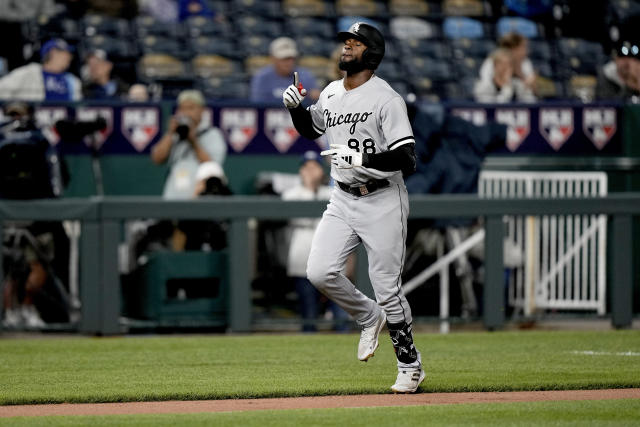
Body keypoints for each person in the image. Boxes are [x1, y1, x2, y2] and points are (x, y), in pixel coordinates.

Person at [283, 22, 424, 393]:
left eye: (355, 42)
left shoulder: (386, 98)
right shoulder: (331, 92)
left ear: (371, 52)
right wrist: (297, 109)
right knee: (319, 271)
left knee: (387, 289)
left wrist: (364, 154)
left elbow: (407, 159)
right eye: (346, 40)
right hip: (343, 195)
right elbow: (312, 130)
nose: (347, 45)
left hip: (381, 197)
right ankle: (368, 317)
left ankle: (410, 365)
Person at [282, 151, 349, 332]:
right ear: (301, 171)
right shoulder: (291, 194)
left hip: (332, 260)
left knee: (341, 314)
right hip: (302, 257)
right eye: (307, 167)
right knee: (309, 314)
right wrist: (311, 188)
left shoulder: (334, 192)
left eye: (315, 167)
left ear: (322, 170)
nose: (311, 171)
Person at [151, 89, 227, 199]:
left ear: (201, 110)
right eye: (182, 108)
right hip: (173, 197)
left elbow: (213, 167)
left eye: (191, 108)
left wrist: (193, 141)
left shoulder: (212, 134)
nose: (186, 112)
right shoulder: (175, 134)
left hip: (200, 199)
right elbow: (157, 158)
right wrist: (170, 133)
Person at [0, 38, 82, 101]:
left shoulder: (72, 80)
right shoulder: (29, 72)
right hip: (35, 121)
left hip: (64, 121)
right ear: (53, 53)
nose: (70, 57)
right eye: (65, 53)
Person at [250, 37, 320, 104]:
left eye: (291, 58)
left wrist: (315, 97)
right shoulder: (262, 77)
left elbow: (314, 103)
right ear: (273, 58)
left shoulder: (306, 76)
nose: (289, 63)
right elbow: (259, 105)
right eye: (284, 59)